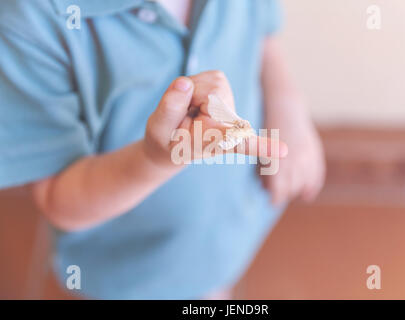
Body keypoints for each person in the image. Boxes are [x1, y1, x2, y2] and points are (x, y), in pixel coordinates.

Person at [0, 0, 325, 299]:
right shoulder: (32, 21)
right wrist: (155, 160)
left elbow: (259, 29)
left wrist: (286, 103)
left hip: (227, 224)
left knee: (211, 281)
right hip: (132, 271)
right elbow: (58, 198)